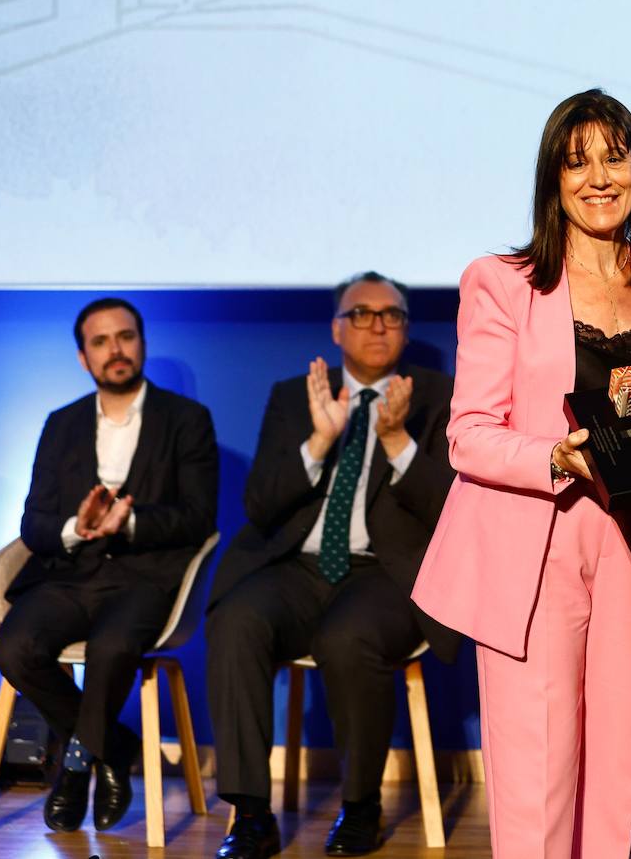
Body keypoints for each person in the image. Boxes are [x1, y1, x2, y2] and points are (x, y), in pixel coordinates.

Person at [410, 89, 631, 857]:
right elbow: (468, 435)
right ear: (552, 178)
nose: (598, 176)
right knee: (538, 770)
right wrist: (559, 455)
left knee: (619, 763)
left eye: (614, 157)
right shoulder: (504, 281)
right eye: (575, 159)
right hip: (538, 546)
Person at [206, 271, 461, 859]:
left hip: (385, 575)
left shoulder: (439, 395)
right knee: (237, 620)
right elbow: (260, 505)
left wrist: (397, 441)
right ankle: (248, 816)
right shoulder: (294, 396)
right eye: (362, 314)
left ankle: (361, 807)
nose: (377, 325)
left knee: (347, 637)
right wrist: (319, 443)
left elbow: (452, 509)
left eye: (391, 315)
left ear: (406, 327)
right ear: (336, 329)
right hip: (297, 567)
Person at [0, 297, 219, 834]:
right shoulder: (61, 423)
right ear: (83, 357)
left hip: (145, 577)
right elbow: (34, 523)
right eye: (100, 341)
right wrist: (80, 527)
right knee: (12, 649)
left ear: (141, 343)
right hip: (67, 574)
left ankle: (73, 768)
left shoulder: (187, 420)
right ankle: (112, 747)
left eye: (125, 337)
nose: (115, 350)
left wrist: (129, 524)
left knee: (113, 648)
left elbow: (198, 517)